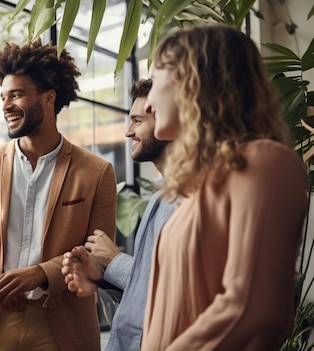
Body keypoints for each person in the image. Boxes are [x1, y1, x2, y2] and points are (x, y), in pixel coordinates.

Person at [141, 24, 308, 350]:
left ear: (191, 82)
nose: (147, 105)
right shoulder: (198, 190)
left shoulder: (264, 163)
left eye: (155, 83)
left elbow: (254, 310)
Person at [0, 39, 118, 351]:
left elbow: (99, 252)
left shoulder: (96, 172)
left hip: (62, 321)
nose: (5, 105)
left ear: (48, 98)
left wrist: (41, 274)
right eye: (3, 96)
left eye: (17, 94)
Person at [61, 78, 176, 351]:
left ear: (169, 123)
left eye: (137, 121)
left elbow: (176, 293)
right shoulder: (161, 198)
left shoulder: (195, 201)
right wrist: (102, 275)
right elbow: (145, 299)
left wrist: (113, 261)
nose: (128, 132)